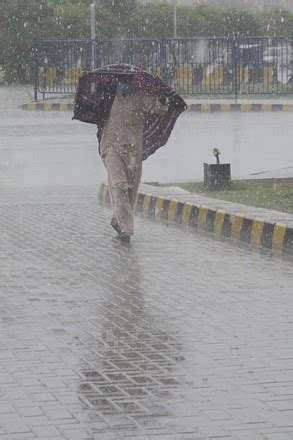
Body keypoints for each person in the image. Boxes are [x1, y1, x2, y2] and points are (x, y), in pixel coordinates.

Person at [100, 78, 169, 243]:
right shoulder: (107, 97)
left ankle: (118, 220)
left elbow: (158, 109)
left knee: (130, 190)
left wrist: (161, 98)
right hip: (111, 148)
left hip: (133, 152)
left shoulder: (139, 97)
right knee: (119, 185)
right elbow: (91, 106)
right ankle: (126, 230)